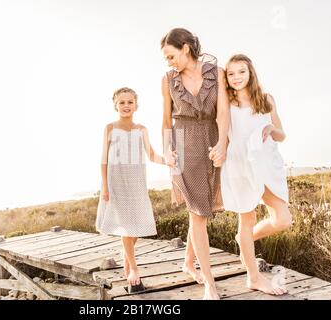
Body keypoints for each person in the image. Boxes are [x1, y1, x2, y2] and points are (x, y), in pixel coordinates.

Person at [160, 28, 230, 300]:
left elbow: (222, 112)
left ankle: (188, 263)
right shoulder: (167, 80)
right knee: (197, 212)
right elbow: (166, 120)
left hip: (212, 139)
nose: (169, 62)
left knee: (202, 208)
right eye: (166, 58)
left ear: (186, 47)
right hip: (183, 143)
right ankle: (209, 283)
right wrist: (167, 150)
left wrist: (223, 143)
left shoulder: (218, 72)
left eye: (171, 55)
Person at [220, 54, 292, 295]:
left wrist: (271, 128)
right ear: (226, 78)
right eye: (231, 73)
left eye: (241, 71)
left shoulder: (266, 99)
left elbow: (282, 135)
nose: (237, 77)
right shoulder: (226, 103)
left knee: (282, 220)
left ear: (250, 72)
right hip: (240, 164)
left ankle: (245, 240)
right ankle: (253, 277)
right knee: (246, 218)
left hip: (267, 163)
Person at [96, 87, 175, 292]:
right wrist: (105, 185)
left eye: (130, 102)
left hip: (137, 182)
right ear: (115, 105)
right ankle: (133, 269)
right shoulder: (110, 128)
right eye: (122, 102)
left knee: (137, 225)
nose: (126, 106)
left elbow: (151, 155)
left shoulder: (142, 129)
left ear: (136, 105)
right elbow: (103, 160)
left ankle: (126, 255)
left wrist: (168, 161)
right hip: (117, 181)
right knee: (126, 225)